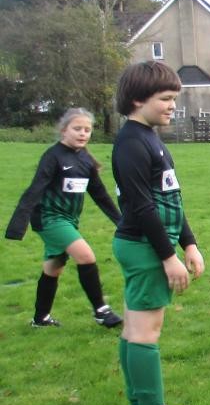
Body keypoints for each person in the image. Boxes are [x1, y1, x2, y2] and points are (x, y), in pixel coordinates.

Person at [111, 62, 204, 405]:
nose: (172, 106)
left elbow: (171, 198)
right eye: (165, 98)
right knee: (145, 332)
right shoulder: (131, 144)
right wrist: (168, 257)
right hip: (143, 246)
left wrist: (189, 243)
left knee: (134, 328)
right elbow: (142, 206)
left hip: (146, 244)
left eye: (174, 99)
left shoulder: (149, 138)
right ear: (138, 99)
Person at [6, 108, 123, 329]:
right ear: (63, 130)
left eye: (87, 129)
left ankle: (40, 319)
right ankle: (101, 311)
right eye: (77, 128)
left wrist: (121, 222)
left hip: (69, 220)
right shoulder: (53, 156)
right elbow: (35, 189)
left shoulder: (86, 159)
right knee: (86, 255)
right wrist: (17, 226)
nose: (83, 133)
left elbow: (100, 194)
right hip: (49, 218)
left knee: (54, 267)